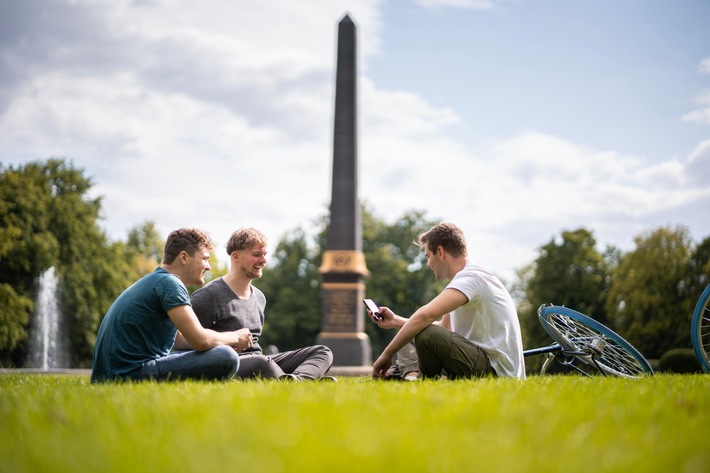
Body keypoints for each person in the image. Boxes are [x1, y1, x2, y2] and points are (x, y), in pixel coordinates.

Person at [91, 228, 252, 383]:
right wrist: (235, 337)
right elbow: (199, 340)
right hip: (131, 374)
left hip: (111, 375)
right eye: (205, 258)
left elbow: (178, 339)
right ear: (184, 257)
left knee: (221, 349)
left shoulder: (156, 280)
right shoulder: (170, 283)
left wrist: (223, 341)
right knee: (226, 356)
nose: (208, 266)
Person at [370, 223, 526, 380]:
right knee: (409, 331)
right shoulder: (464, 282)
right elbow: (444, 328)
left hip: (495, 371)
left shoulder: (471, 278)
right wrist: (395, 321)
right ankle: (410, 377)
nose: (428, 263)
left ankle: (415, 377)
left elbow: (426, 316)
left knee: (424, 332)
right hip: (476, 361)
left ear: (440, 252)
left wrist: (386, 354)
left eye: (428, 256)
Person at [177, 227, 335, 381]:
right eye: (257, 254)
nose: (264, 260)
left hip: (259, 360)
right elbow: (183, 340)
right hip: (229, 363)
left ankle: (297, 380)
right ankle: (299, 380)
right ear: (236, 257)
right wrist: (225, 343)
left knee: (322, 351)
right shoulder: (209, 295)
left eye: (265, 254)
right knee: (262, 363)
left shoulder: (259, 297)